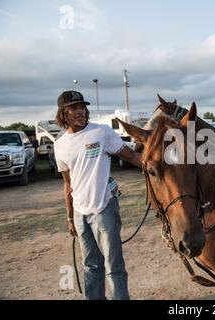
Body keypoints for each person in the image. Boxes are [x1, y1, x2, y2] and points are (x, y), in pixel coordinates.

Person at [54, 90, 142, 300]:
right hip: (79, 214)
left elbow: (131, 156)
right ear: (63, 113)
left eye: (82, 107)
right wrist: (69, 217)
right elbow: (68, 184)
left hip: (104, 209)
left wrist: (157, 166)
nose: (80, 112)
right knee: (91, 266)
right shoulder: (59, 145)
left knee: (114, 265)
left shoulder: (101, 132)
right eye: (74, 108)